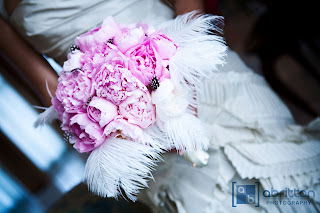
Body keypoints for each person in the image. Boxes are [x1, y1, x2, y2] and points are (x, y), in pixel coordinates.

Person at [1, 0, 319, 212]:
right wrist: (117, 136)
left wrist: (182, 83)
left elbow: (188, 8)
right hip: (126, 131)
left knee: (286, 169)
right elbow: (50, 90)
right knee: (227, 204)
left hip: (194, 63)